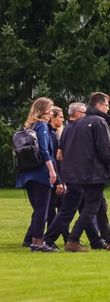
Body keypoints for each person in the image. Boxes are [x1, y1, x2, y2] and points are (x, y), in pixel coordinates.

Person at [61, 92, 110, 252]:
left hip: (80, 172)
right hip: (94, 172)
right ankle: (73, 239)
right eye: (106, 105)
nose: (108, 108)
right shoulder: (99, 122)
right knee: (92, 206)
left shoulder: (78, 123)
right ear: (98, 106)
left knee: (101, 206)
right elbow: (105, 148)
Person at [43, 103, 104, 249]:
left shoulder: (67, 129)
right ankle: (48, 239)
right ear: (77, 114)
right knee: (69, 210)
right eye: (84, 112)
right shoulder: (78, 129)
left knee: (84, 209)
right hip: (78, 175)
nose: (86, 115)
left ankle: (95, 240)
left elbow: (59, 154)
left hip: (72, 174)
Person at [16, 97, 58, 252]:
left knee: (38, 209)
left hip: (28, 173)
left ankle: (34, 241)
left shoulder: (29, 126)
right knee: (43, 210)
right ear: (45, 110)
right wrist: (52, 170)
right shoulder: (42, 126)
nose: (51, 111)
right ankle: (38, 243)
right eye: (50, 108)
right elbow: (44, 151)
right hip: (41, 173)